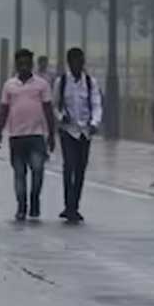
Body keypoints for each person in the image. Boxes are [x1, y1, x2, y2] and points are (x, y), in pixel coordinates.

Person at [0, 49, 58, 222]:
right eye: (20, 63)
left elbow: (48, 109)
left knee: (38, 170)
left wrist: (51, 134)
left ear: (32, 64)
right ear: (16, 64)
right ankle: (21, 206)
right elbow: (4, 109)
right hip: (16, 136)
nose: (24, 66)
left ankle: (34, 200)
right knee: (19, 173)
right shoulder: (9, 85)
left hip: (36, 136)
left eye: (27, 63)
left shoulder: (42, 84)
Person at [56, 47, 102, 223]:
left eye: (81, 62)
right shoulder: (61, 83)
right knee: (69, 166)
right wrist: (61, 117)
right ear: (70, 63)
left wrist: (95, 123)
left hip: (85, 132)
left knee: (80, 169)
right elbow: (55, 105)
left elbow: (96, 104)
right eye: (75, 62)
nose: (79, 65)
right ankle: (69, 205)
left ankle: (75, 205)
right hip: (68, 131)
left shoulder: (91, 83)